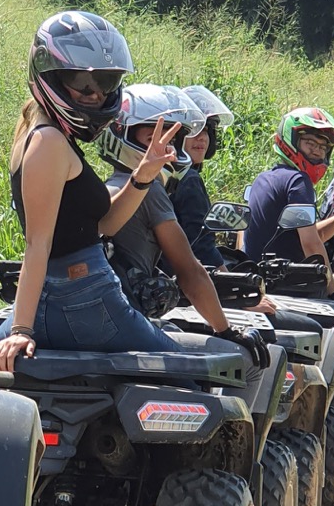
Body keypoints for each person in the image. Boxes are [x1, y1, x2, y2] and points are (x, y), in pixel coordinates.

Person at [0, 11, 186, 372]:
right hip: (84, 297)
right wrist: (20, 329)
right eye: (83, 83)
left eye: (107, 83)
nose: (96, 96)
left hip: (64, 295)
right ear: (50, 77)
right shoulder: (48, 141)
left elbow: (101, 226)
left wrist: (143, 175)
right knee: (191, 376)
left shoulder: (46, 134)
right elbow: (39, 244)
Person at [96, 84, 267, 366]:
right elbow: (190, 271)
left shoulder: (104, 186)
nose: (166, 149)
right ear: (122, 135)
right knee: (244, 361)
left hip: (99, 318)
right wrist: (226, 331)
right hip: (126, 324)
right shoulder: (149, 191)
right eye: (154, 138)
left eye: (173, 140)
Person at [240, 107, 334, 265]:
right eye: (310, 143)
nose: (317, 151)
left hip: (260, 275)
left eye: (323, 147)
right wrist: (333, 289)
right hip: (287, 282)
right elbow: (311, 245)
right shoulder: (298, 181)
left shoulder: (262, 178)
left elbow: (312, 236)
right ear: (291, 140)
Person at [167, 84, 234, 269]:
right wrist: (225, 277)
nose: (202, 138)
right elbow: (201, 243)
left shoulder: (164, 172)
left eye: (207, 130)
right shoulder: (188, 179)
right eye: (194, 130)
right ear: (176, 134)